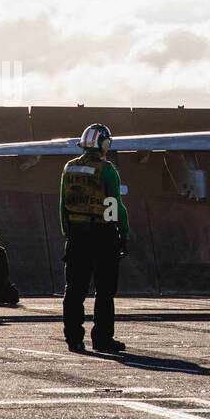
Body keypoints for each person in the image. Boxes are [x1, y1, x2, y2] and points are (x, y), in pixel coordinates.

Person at [61, 123, 129, 353]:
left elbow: (62, 205)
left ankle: (74, 339)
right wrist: (124, 234)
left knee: (74, 290)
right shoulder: (107, 170)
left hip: (76, 235)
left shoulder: (69, 168)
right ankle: (102, 340)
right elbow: (114, 205)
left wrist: (68, 233)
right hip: (102, 235)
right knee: (105, 291)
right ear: (104, 144)